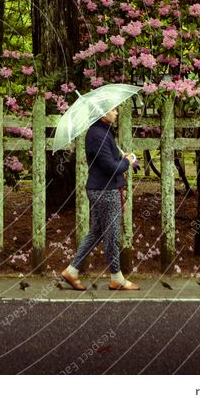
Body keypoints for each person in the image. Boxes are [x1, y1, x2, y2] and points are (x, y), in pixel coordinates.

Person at [60, 104, 140, 291]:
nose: (116, 112)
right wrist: (126, 162)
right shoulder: (98, 135)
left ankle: (72, 271)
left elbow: (110, 161)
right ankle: (116, 278)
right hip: (106, 190)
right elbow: (111, 169)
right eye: (113, 109)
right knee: (112, 236)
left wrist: (123, 159)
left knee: (96, 232)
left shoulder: (101, 132)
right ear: (103, 113)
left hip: (101, 189)